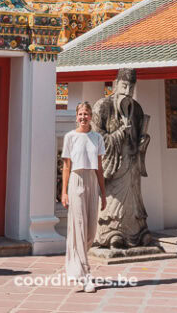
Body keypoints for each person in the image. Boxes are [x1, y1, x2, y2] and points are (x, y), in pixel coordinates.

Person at [92, 67, 155, 249]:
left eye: (131, 87)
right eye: (125, 86)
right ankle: (111, 233)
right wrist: (119, 134)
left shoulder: (137, 110)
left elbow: (138, 138)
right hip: (113, 165)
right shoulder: (102, 107)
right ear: (116, 84)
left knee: (134, 201)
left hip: (131, 163)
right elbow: (98, 138)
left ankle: (136, 233)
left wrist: (143, 141)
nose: (127, 92)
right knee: (112, 203)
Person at [61, 101, 107, 293]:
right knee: (79, 227)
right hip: (76, 181)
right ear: (76, 116)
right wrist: (63, 192)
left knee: (90, 231)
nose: (83, 117)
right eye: (80, 114)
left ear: (91, 117)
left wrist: (104, 195)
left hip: (92, 182)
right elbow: (66, 166)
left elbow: (100, 167)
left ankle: (75, 264)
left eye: (86, 114)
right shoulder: (70, 137)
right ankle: (85, 275)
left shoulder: (97, 138)